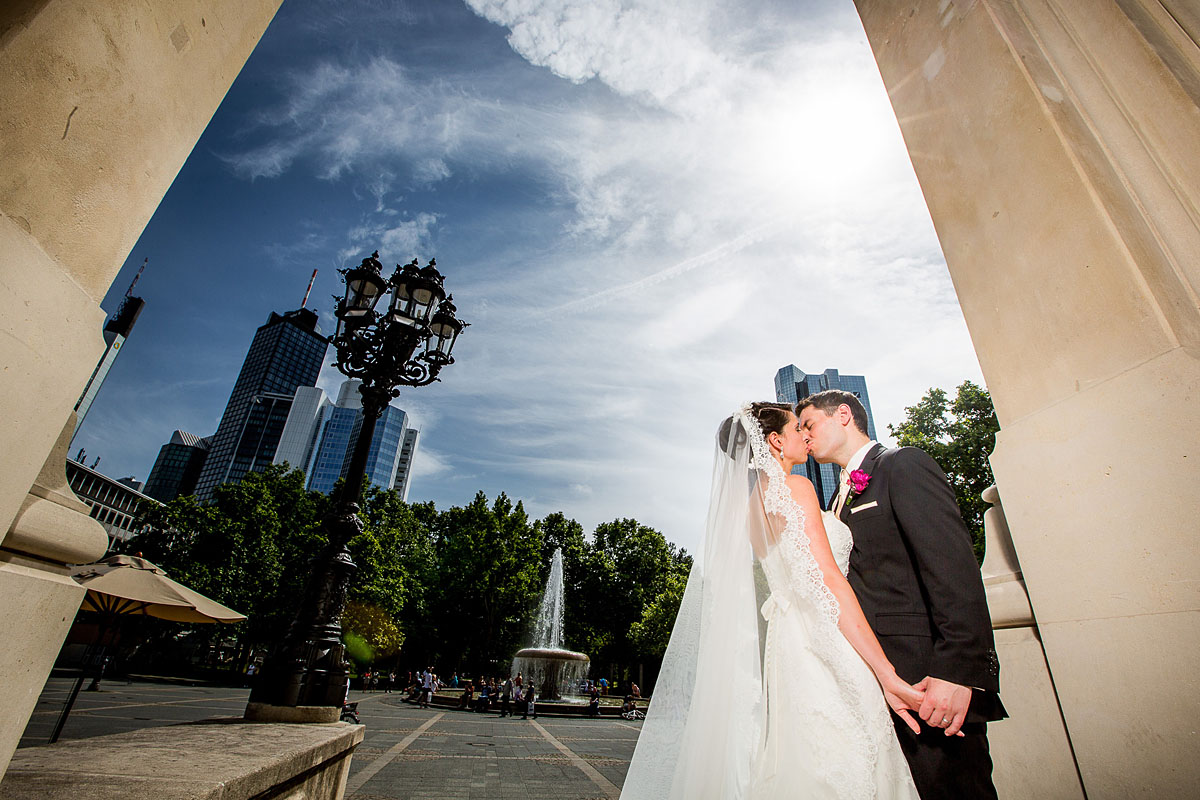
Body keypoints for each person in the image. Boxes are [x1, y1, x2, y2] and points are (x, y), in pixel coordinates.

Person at [621, 403, 922, 799]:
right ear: (776, 441)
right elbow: (828, 581)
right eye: (799, 428)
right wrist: (885, 671)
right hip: (824, 638)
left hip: (786, 643)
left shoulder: (750, 510)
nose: (806, 436)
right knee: (848, 750)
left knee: (799, 753)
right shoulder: (797, 488)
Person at [798, 390, 1006, 799]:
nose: (804, 435)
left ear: (843, 415)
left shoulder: (902, 465)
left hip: (927, 679)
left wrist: (957, 672)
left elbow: (952, 570)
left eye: (808, 424)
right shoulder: (833, 501)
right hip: (873, 683)